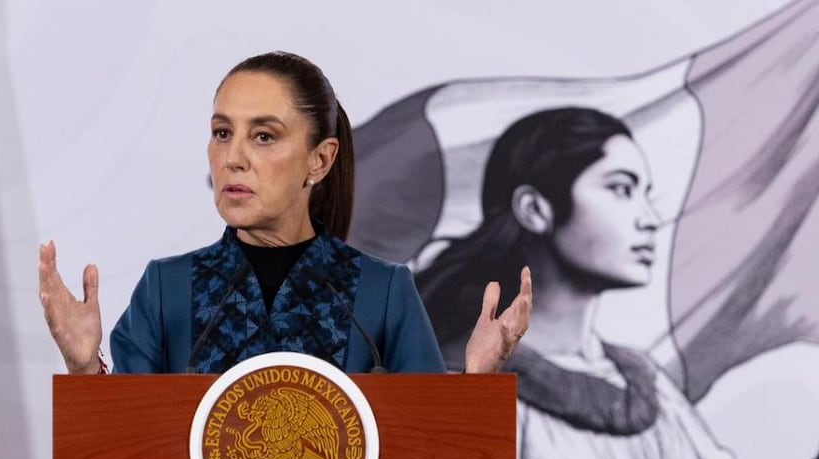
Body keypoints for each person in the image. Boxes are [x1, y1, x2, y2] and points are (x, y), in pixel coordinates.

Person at [414, 107, 819, 459]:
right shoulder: (464, 385)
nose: (650, 217)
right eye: (622, 189)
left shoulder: (645, 383)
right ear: (535, 209)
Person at [38, 51, 531, 376]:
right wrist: (84, 369)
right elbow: (121, 454)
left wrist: (476, 381)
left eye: (264, 136)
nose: (233, 157)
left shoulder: (381, 293)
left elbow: (433, 456)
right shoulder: (167, 290)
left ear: (320, 159)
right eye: (222, 132)